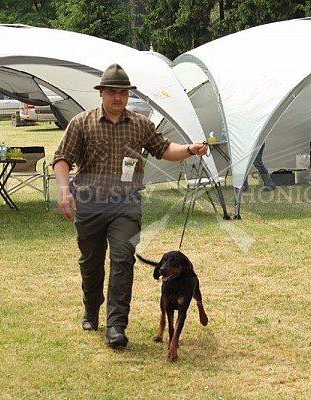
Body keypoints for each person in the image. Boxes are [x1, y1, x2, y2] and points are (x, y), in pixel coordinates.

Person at [52, 63, 207, 348]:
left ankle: (116, 325)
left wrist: (188, 149)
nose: (118, 98)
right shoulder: (82, 123)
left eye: (123, 93)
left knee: (123, 259)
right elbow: (62, 158)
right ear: (101, 93)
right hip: (89, 202)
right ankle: (91, 307)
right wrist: (64, 189)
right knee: (91, 262)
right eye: (112, 92)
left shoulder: (140, 124)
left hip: (126, 203)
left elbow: (164, 149)